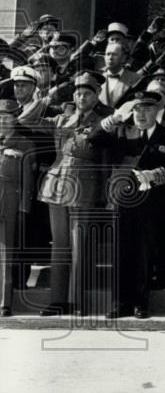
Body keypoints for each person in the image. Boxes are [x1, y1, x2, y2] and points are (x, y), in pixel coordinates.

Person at [90, 90, 165, 319]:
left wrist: (157, 174)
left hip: (152, 202)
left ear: (158, 110)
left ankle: (140, 304)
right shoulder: (122, 131)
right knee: (121, 252)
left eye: (148, 108)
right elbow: (93, 139)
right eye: (137, 109)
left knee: (145, 253)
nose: (141, 114)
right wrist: (114, 118)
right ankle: (120, 303)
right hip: (122, 200)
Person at [36, 71, 112, 316]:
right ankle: (57, 300)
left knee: (80, 246)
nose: (81, 96)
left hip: (85, 187)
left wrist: (104, 192)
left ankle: (77, 301)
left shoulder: (104, 120)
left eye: (87, 92)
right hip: (56, 186)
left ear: (97, 95)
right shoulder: (61, 119)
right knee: (59, 245)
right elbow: (29, 118)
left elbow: (105, 160)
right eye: (78, 92)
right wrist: (53, 93)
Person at [0, 98, 34, 317]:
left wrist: (24, 206)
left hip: (9, 200)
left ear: (15, 119)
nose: (2, 121)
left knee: (5, 254)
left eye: (6, 117)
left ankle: (5, 303)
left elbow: (28, 179)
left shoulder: (24, 143)